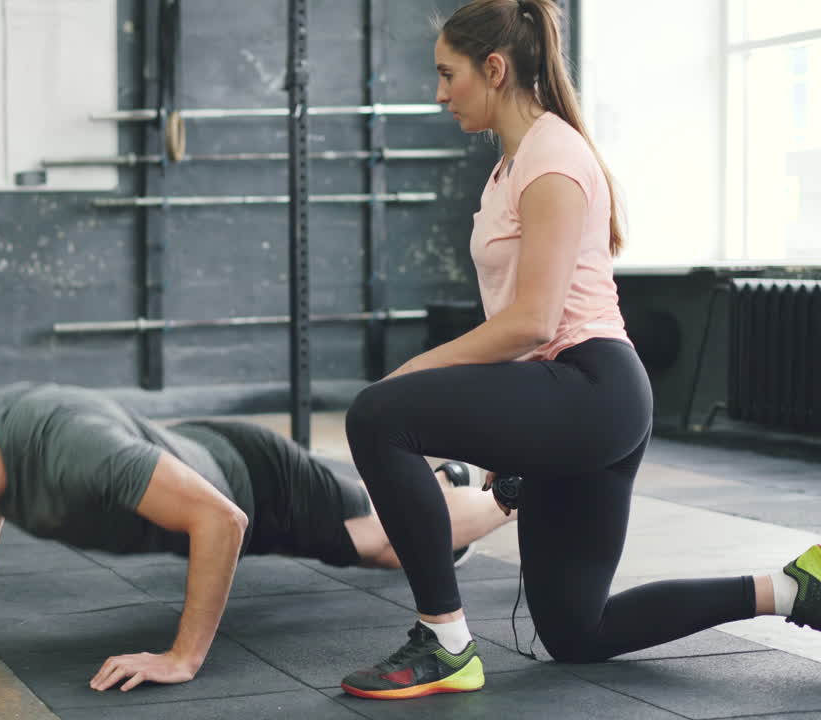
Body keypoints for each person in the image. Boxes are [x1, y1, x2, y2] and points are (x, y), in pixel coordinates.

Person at [338, 0, 821, 701]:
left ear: (494, 69)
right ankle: (793, 589)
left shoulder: (553, 158)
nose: (440, 92)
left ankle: (443, 639)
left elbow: (533, 322)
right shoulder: (512, 166)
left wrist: (416, 369)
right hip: (570, 399)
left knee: (378, 414)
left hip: (594, 391)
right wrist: (511, 442)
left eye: (449, 74)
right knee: (577, 633)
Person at [0, 382, 513, 692]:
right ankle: (446, 481)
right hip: (200, 457)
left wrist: (182, 658)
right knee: (380, 511)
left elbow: (221, 520)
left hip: (257, 485)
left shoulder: (74, 449)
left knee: (384, 542)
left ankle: (513, 492)